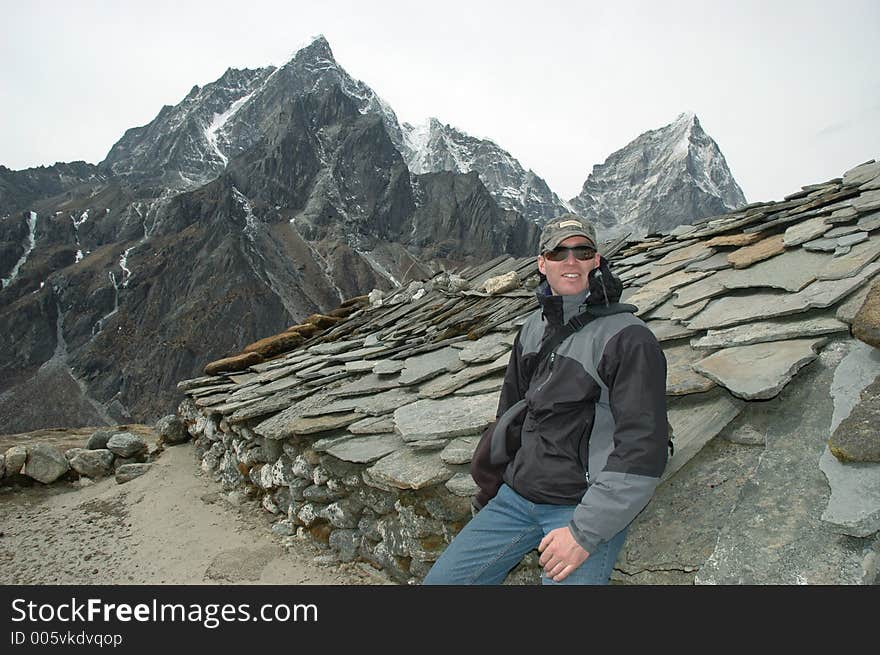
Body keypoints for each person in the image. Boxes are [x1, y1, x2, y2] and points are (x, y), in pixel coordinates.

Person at [423, 213, 669, 585]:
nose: (571, 262)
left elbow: (643, 447)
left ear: (596, 261)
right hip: (516, 500)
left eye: (582, 251)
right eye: (559, 253)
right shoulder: (533, 329)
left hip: (581, 506)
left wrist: (584, 532)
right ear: (542, 263)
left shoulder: (628, 339)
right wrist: (490, 493)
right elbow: (511, 417)